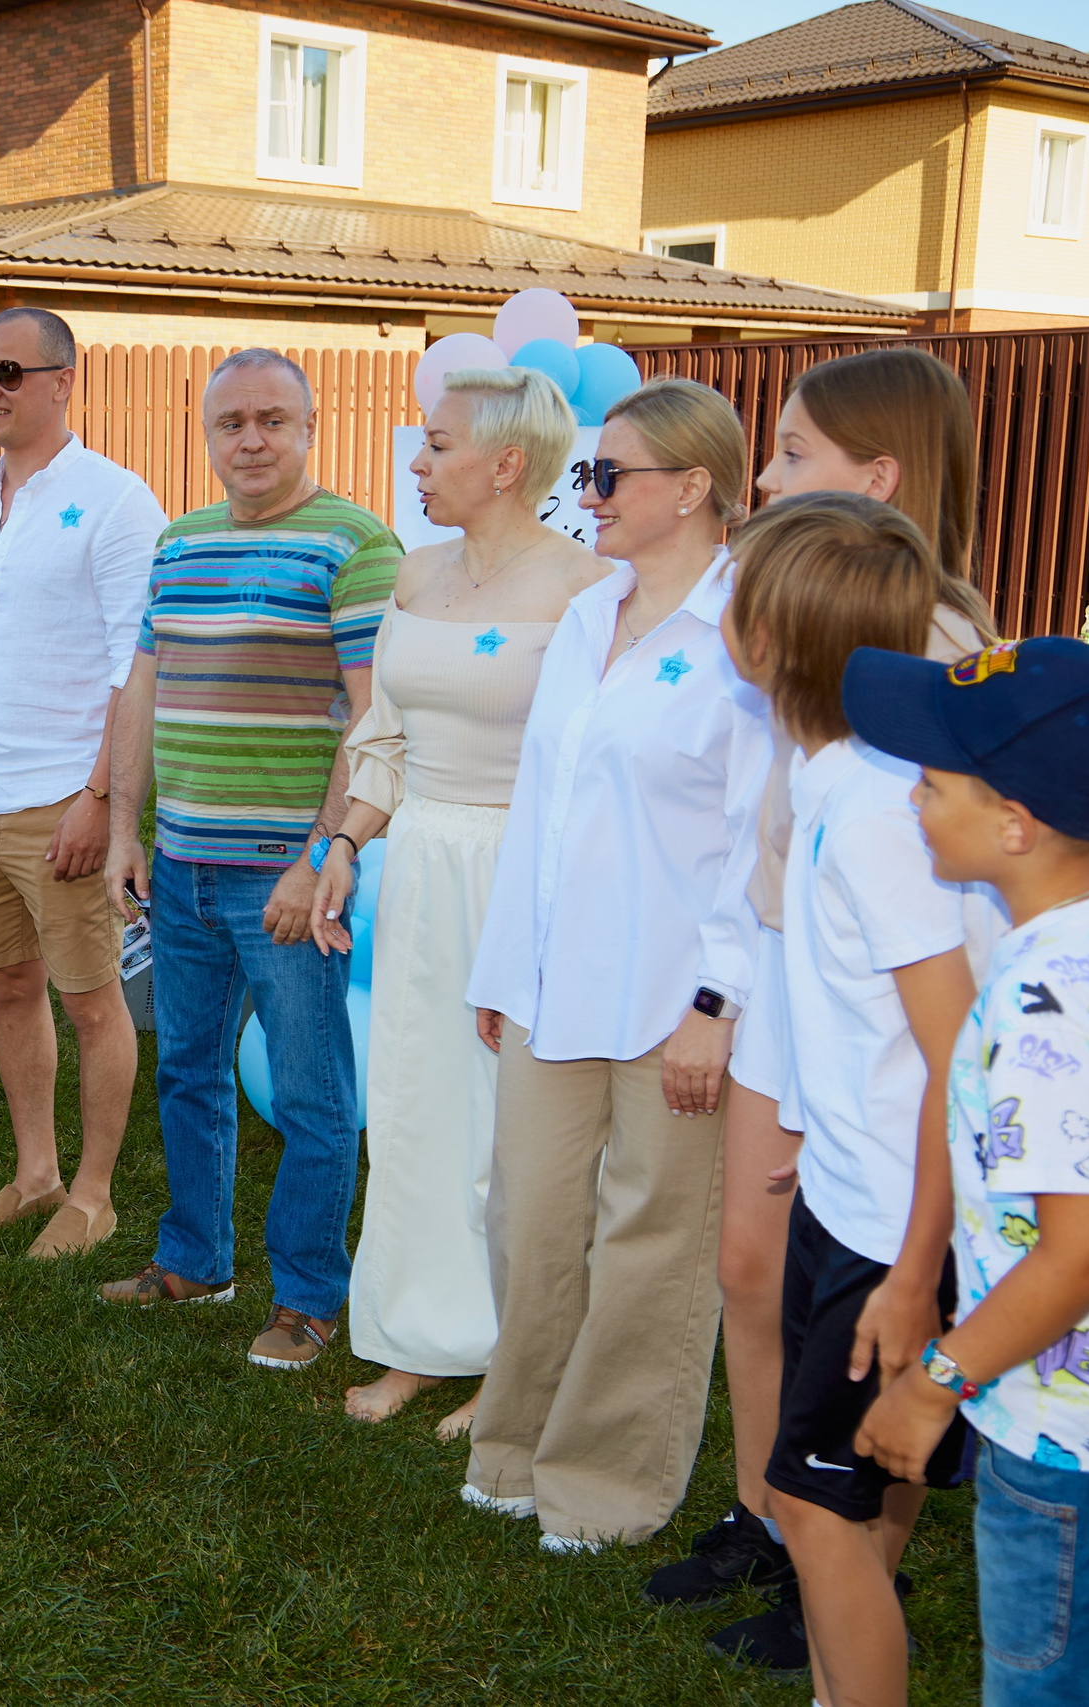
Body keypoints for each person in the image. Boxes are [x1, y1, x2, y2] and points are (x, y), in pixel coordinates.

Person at [656, 345, 1001, 1649]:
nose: (764, 476)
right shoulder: (803, 631)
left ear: (880, 476)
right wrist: (725, 990)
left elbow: (937, 936)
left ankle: (849, 1560)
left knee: (856, 1300)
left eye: (793, 452)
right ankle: (777, 1515)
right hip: (790, 978)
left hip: (874, 1013)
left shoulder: (925, 656)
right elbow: (766, 833)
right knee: (759, 1270)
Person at [847, 636, 1089, 1707]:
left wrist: (936, 1382)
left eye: (932, 782)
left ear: (1013, 825)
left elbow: (1083, 1253)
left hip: (1082, 1441)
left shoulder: (1042, 1004)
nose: (912, 797)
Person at [462, 377, 771, 1551]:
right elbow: (540, 804)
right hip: (550, 984)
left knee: (652, 1246)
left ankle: (605, 1484)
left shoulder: (747, 632)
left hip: (672, 998)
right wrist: (501, 968)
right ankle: (513, 1448)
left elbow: (756, 836)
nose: (584, 493)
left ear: (690, 488)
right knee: (530, 1223)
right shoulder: (591, 615)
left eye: (605, 474)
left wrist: (716, 1004)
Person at [721, 494, 1002, 1707]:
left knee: (812, 1505)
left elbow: (957, 1054)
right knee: (836, 1489)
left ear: (763, 639)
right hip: (852, 1194)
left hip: (896, 1230)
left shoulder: (881, 813)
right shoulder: (835, 776)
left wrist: (911, 1270)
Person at [307, 365, 601, 1437]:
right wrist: (345, 842)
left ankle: (514, 1357)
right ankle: (416, 1339)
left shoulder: (586, 589)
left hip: (522, 876)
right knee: (415, 1106)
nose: (418, 464)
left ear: (507, 464)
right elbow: (383, 735)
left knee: (507, 1123)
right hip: (419, 869)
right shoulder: (417, 571)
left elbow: (592, 767)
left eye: (438, 446)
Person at [101, 348, 399, 1371]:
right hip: (180, 865)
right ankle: (194, 1260)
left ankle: (308, 1297)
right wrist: (124, 828)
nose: (252, 440)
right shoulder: (178, 543)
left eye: (273, 419)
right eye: (231, 423)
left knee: (313, 1095)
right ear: (208, 435)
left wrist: (317, 858)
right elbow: (143, 691)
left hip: (285, 876)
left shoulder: (355, 545)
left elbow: (371, 720)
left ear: (309, 427)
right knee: (187, 1070)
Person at [0, 307, 162, 1257]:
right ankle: (35, 1176)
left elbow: (134, 667)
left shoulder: (116, 501)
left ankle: (94, 1196)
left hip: (62, 798)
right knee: (9, 988)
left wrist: (100, 798)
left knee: (92, 999)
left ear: (64, 380)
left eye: (10, 372)